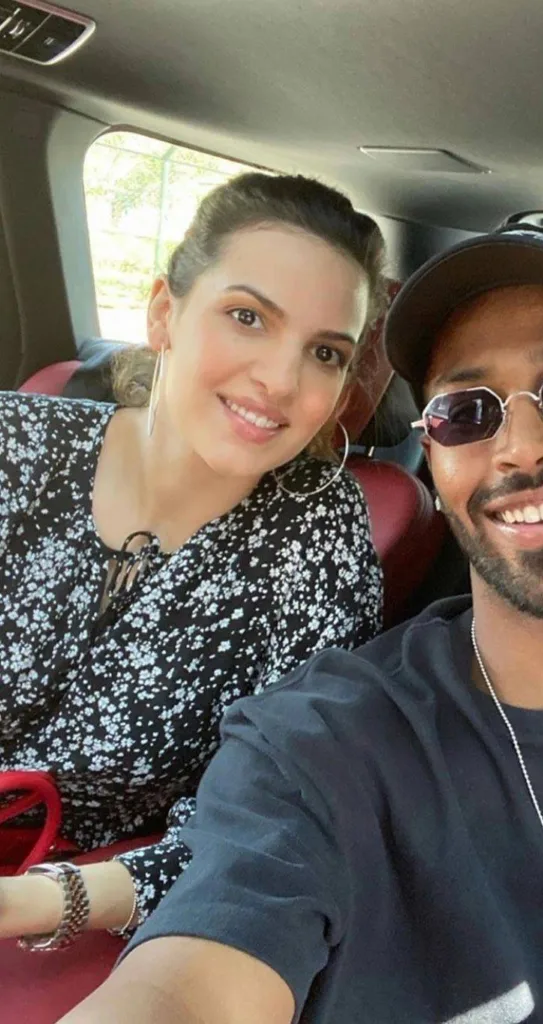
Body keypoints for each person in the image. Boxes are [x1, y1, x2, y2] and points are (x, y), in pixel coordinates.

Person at [64, 226, 543, 1023]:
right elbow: (187, 986)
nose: (523, 447)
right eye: (467, 413)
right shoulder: (323, 742)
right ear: (433, 459)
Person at [0, 172, 386, 950]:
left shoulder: (320, 541)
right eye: (247, 317)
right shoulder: (15, 444)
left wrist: (48, 902)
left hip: (78, 912)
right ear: (164, 312)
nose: (281, 381)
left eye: (324, 352)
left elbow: (285, 822)